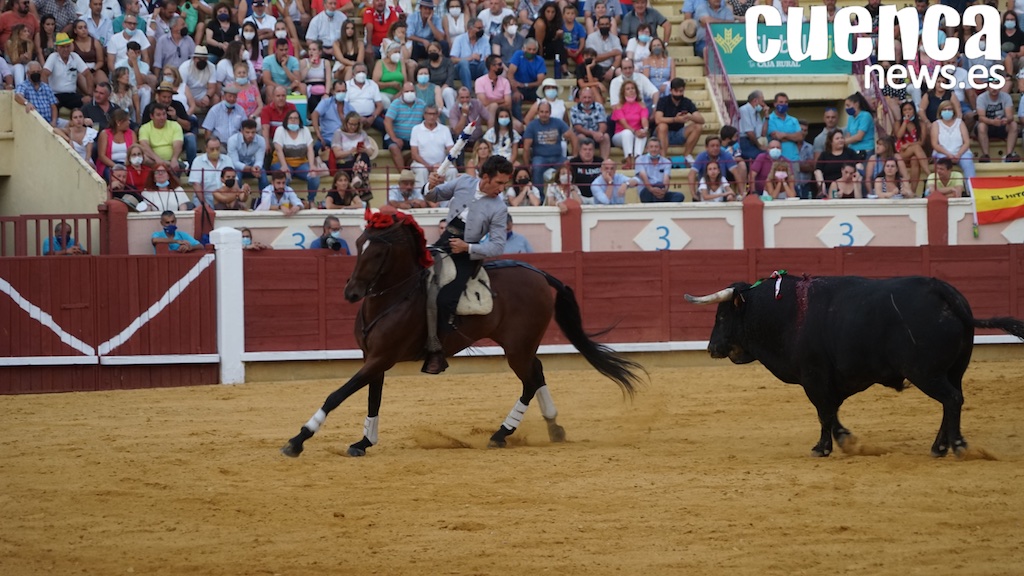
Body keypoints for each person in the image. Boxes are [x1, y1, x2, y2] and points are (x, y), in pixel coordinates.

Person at [421, 155, 515, 374]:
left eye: (504, 184)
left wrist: (468, 248)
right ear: (485, 177)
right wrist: (430, 184)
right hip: (442, 245)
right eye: (499, 182)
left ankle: (438, 352)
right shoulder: (464, 182)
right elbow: (433, 195)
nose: (502, 189)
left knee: (446, 299)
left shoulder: (499, 208)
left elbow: (497, 246)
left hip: (466, 255)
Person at [271, 108, 323, 205]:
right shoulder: (280, 130)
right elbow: (278, 150)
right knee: (284, 178)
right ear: (286, 120)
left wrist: (312, 166)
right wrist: (284, 166)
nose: (293, 120)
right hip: (282, 162)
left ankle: (311, 201)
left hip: (301, 163)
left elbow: (310, 150)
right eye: (291, 118)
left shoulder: (305, 130)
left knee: (314, 177)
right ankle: (282, 202)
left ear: (299, 120)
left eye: (296, 118)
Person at [523, 100, 576, 190]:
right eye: (542, 112)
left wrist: (574, 156)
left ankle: (568, 193)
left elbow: (573, 137)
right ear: (537, 112)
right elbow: (526, 148)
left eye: (546, 112)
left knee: (570, 167)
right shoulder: (532, 125)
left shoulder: (558, 122)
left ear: (550, 112)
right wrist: (526, 166)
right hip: (540, 157)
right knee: (536, 168)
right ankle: (539, 195)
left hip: (558, 157)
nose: (544, 114)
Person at [654, 78, 703, 165]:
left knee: (698, 127)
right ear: (671, 90)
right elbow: (658, 119)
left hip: (679, 133)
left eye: (681, 91)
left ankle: (687, 156)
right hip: (662, 133)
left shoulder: (687, 102)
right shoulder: (663, 101)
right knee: (662, 126)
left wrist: (690, 117)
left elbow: (701, 120)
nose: (678, 94)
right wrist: (675, 119)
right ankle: (663, 158)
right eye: (676, 91)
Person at [689, 135, 745, 202]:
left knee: (731, 197)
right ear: (706, 147)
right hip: (705, 189)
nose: (715, 148)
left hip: (721, 186)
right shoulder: (701, 156)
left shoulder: (726, 155)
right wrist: (693, 194)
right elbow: (692, 174)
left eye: (717, 146)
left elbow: (736, 173)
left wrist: (741, 193)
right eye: (712, 146)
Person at [975, 79, 1020, 162]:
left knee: (1013, 125)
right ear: (987, 87)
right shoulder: (981, 98)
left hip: (1001, 124)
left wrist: (1007, 120)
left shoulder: (1006, 97)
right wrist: (992, 122)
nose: (994, 88)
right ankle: (986, 155)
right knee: (981, 126)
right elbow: (981, 117)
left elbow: (1010, 116)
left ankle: (1009, 155)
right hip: (988, 125)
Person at [331, 111, 376, 194]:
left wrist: (365, 149)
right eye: (351, 124)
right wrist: (351, 151)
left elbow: (370, 152)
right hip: (345, 162)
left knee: (364, 155)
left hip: (359, 162)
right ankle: (360, 189)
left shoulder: (362, 133)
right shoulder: (339, 133)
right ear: (346, 123)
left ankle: (357, 176)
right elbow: (337, 154)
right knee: (363, 170)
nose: (353, 127)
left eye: (355, 125)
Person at [43, 32, 88, 112]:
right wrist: (49, 95)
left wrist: (90, 94)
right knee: (52, 105)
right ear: (57, 48)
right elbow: (44, 74)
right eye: (62, 47)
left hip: (71, 94)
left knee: (87, 101)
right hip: (55, 94)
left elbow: (88, 74)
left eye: (68, 46)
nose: (66, 49)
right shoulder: (53, 57)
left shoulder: (75, 56)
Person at [931, 100, 976, 178]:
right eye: (944, 109)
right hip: (943, 153)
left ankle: (971, 185)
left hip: (961, 153)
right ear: (940, 111)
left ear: (953, 111)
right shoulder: (936, 124)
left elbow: (966, 142)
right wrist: (948, 155)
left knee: (968, 163)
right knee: (942, 166)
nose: (947, 111)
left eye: (949, 109)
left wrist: (959, 154)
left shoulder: (960, 122)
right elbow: (935, 144)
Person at [610, 79, 649, 168]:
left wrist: (645, 129)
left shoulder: (641, 105)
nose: (631, 90)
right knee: (627, 132)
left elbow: (644, 120)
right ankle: (628, 160)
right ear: (623, 92)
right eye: (628, 89)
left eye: (632, 88)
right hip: (620, 136)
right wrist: (634, 132)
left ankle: (637, 161)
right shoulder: (619, 106)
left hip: (636, 134)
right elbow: (624, 123)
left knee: (642, 132)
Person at [189, 136, 235, 206]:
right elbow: (196, 184)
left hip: (224, 197)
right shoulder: (198, 161)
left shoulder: (227, 159)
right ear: (206, 148)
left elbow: (234, 180)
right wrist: (204, 204)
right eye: (212, 149)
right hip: (204, 198)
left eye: (217, 148)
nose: (215, 151)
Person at [895, 101, 929, 194]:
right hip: (901, 152)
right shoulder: (898, 123)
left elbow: (921, 142)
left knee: (915, 159)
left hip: (915, 153)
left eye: (910, 109)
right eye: (905, 110)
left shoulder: (921, 124)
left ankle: (913, 191)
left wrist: (909, 144)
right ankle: (929, 174)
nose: (907, 112)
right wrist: (905, 122)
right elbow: (898, 135)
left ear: (914, 110)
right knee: (916, 147)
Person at [506, 38, 545, 120]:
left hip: (533, 88)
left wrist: (525, 85)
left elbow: (540, 81)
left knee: (545, 100)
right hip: (517, 87)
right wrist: (515, 91)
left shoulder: (540, 60)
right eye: (529, 49)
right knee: (515, 98)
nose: (531, 52)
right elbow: (510, 74)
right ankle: (519, 123)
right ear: (523, 48)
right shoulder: (518, 55)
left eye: (534, 49)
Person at [814, 130, 862, 196]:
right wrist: (822, 186)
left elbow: (859, 165)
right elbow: (818, 170)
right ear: (831, 142)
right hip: (829, 188)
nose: (840, 140)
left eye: (842, 138)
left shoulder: (850, 152)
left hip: (849, 187)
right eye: (837, 138)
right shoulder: (824, 155)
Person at [568, 87, 610, 160]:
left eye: (589, 97)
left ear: (593, 97)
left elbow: (603, 124)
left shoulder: (599, 107)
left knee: (605, 136)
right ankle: (584, 161)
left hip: (596, 135)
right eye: (584, 97)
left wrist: (599, 133)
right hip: (582, 134)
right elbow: (578, 127)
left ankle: (604, 161)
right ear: (580, 97)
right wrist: (593, 133)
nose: (587, 100)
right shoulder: (574, 109)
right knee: (581, 137)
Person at [14, 61, 59, 127]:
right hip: (34, 123)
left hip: (50, 121)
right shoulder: (24, 85)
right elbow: (17, 96)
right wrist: (26, 103)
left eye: (38, 72)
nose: (36, 74)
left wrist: (54, 121)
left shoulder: (46, 87)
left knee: (69, 124)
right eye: (33, 72)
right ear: (28, 73)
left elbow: (53, 107)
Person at [635, 138, 681, 202]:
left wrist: (665, 190)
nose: (654, 149)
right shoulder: (640, 160)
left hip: (661, 189)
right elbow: (644, 177)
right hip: (647, 191)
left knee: (679, 196)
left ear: (660, 149)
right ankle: (661, 204)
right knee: (657, 186)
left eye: (656, 147)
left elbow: (666, 179)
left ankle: (660, 202)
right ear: (647, 149)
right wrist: (651, 189)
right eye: (651, 147)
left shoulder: (667, 162)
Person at [346, 63, 385, 133]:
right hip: (352, 116)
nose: (361, 74)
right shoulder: (347, 85)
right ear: (353, 74)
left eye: (363, 72)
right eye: (358, 72)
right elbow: (344, 106)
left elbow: (380, 105)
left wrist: (373, 117)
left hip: (371, 116)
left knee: (386, 126)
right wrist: (358, 117)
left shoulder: (372, 84)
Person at [767, 92, 802, 163]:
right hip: (776, 159)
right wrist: (793, 137)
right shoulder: (769, 119)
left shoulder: (793, 120)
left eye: (786, 102)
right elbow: (776, 136)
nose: (784, 104)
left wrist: (784, 135)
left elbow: (800, 137)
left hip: (793, 159)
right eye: (781, 102)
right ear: (775, 104)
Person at [569, 137, 603, 203]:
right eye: (585, 149)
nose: (587, 152)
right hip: (579, 196)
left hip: (597, 196)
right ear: (580, 151)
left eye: (590, 149)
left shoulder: (600, 162)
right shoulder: (573, 162)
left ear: (593, 151)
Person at [843, 92, 875, 160]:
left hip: (866, 150)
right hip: (853, 151)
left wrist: (842, 142)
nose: (846, 108)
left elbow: (859, 137)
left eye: (848, 105)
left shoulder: (865, 116)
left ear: (856, 104)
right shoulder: (850, 118)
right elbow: (848, 135)